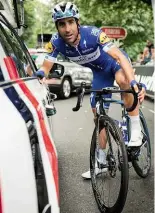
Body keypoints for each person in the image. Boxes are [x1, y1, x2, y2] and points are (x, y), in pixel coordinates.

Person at [34, 2, 146, 179]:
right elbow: (47, 65)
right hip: (99, 74)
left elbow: (117, 56)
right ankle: (100, 161)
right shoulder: (56, 41)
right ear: (57, 26)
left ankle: (136, 129)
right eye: (61, 24)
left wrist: (133, 81)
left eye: (70, 22)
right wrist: (40, 73)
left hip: (114, 64)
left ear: (77, 23)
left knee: (123, 81)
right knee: (98, 116)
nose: (67, 28)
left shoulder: (93, 34)